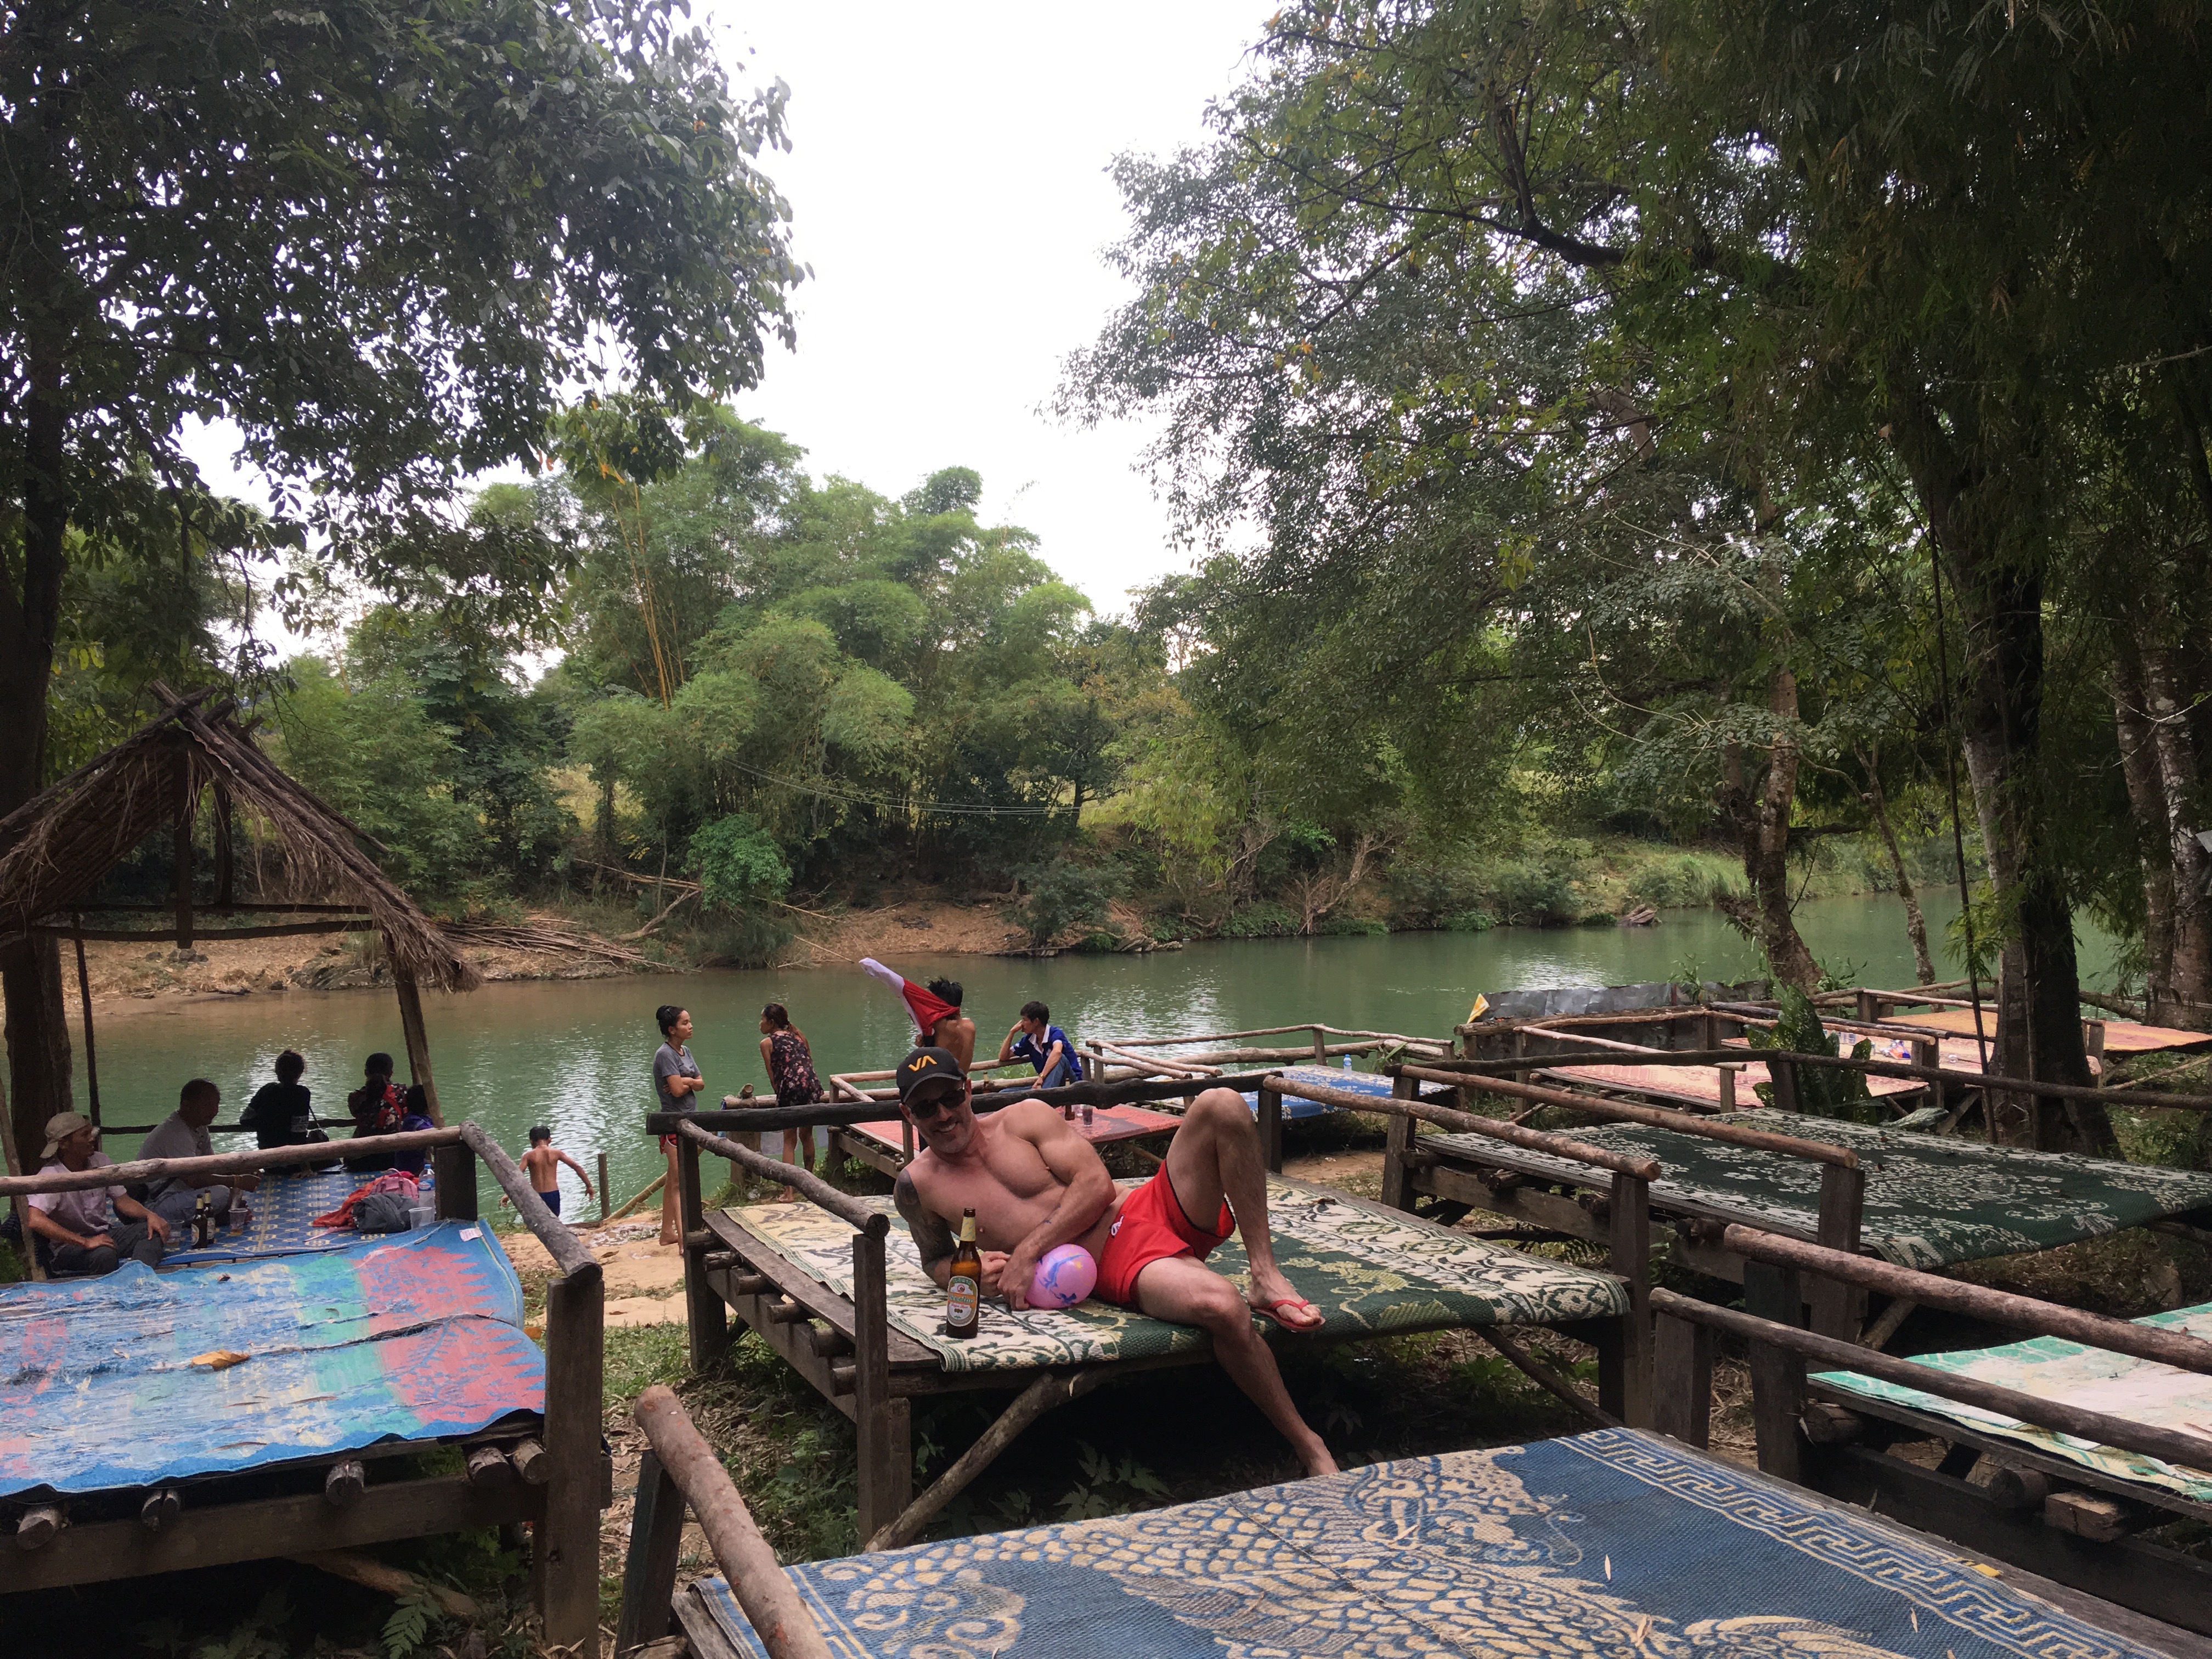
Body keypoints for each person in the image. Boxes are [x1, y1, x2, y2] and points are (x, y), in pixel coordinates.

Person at [889, 1048, 1334, 1476]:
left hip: (1145, 1205)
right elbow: (935, 1259)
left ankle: (1265, 1274)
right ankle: (1308, 1443)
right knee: (1222, 1307)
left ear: (968, 1090)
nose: (944, 1115)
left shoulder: (1024, 1118)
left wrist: (1027, 1252)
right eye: (927, 1108)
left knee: (1222, 1103)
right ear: (909, 1114)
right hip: (1115, 1256)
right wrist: (967, 1274)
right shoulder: (917, 1186)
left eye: (951, 1097)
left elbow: (1097, 1185)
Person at [25, 1112, 168, 1274]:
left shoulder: (101, 1161)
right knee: (104, 1254)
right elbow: (35, 1220)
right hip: (68, 1246)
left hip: (104, 1235)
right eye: (85, 1135)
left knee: (153, 1231)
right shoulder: (51, 1176)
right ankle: (109, 1288)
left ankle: (137, 1277)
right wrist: (85, 1242)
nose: (92, 1138)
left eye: (91, 1133)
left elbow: (122, 1200)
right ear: (64, 1144)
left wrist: (150, 1215)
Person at [141, 1079, 261, 1230]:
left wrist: (242, 1171)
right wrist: (237, 1180)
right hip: (157, 1203)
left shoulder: (200, 1128)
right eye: (207, 1105)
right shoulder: (177, 1134)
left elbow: (212, 1165)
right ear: (186, 1105)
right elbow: (193, 1180)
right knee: (223, 1193)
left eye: (216, 1104)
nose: (214, 1111)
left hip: (181, 1194)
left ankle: (219, 1214)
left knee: (228, 1192)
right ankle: (217, 1215)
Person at [653, 1004, 707, 1246]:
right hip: (674, 1124)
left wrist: (687, 1081)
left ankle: (667, 1233)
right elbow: (675, 1091)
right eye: (685, 1023)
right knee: (679, 1182)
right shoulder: (665, 1055)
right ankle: (685, 1240)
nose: (691, 1026)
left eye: (690, 1021)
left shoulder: (686, 1051)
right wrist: (689, 1082)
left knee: (674, 1180)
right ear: (672, 1030)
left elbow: (701, 1083)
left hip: (690, 1120)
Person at [759, 1003, 822, 1203]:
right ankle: (810, 1186)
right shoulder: (799, 1037)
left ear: (771, 1023)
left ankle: (789, 1192)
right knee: (807, 1135)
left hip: (791, 1088)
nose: (760, 1024)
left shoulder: (767, 1043)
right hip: (811, 1086)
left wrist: (781, 1096)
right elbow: (808, 1063)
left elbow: (773, 1077)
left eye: (762, 1019)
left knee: (789, 1139)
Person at [859, 958, 975, 1066]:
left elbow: (903, 989)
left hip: (942, 1076)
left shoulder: (939, 1026)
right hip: (956, 1077)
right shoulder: (967, 1026)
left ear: (937, 1004)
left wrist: (877, 968)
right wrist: (926, 1042)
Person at [240, 1050, 323, 1149]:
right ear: (300, 1072)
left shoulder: (266, 1090)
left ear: (277, 1071)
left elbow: (245, 1119)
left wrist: (266, 1124)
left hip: (266, 1151)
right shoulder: (302, 1094)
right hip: (293, 1152)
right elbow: (298, 1133)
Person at [998, 1001, 1085, 1090]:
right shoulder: (1029, 1040)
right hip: (1046, 1085)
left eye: (1025, 1020)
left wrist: (1042, 1077)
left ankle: (1043, 1095)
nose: (1021, 1024)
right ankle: (1042, 1094)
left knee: (1060, 1058)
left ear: (1036, 1021)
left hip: (1071, 1084)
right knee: (1004, 1093)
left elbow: (1057, 1052)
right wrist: (1012, 1032)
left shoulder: (1056, 1034)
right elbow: (1003, 1057)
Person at [522, 1126, 594, 1217]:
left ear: (531, 1141)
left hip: (535, 1195)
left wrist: (508, 1195)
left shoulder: (528, 1156)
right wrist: (589, 1186)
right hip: (553, 1194)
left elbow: (517, 1175)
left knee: (537, 1221)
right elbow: (576, 1167)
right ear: (549, 1139)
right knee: (554, 1220)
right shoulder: (556, 1153)